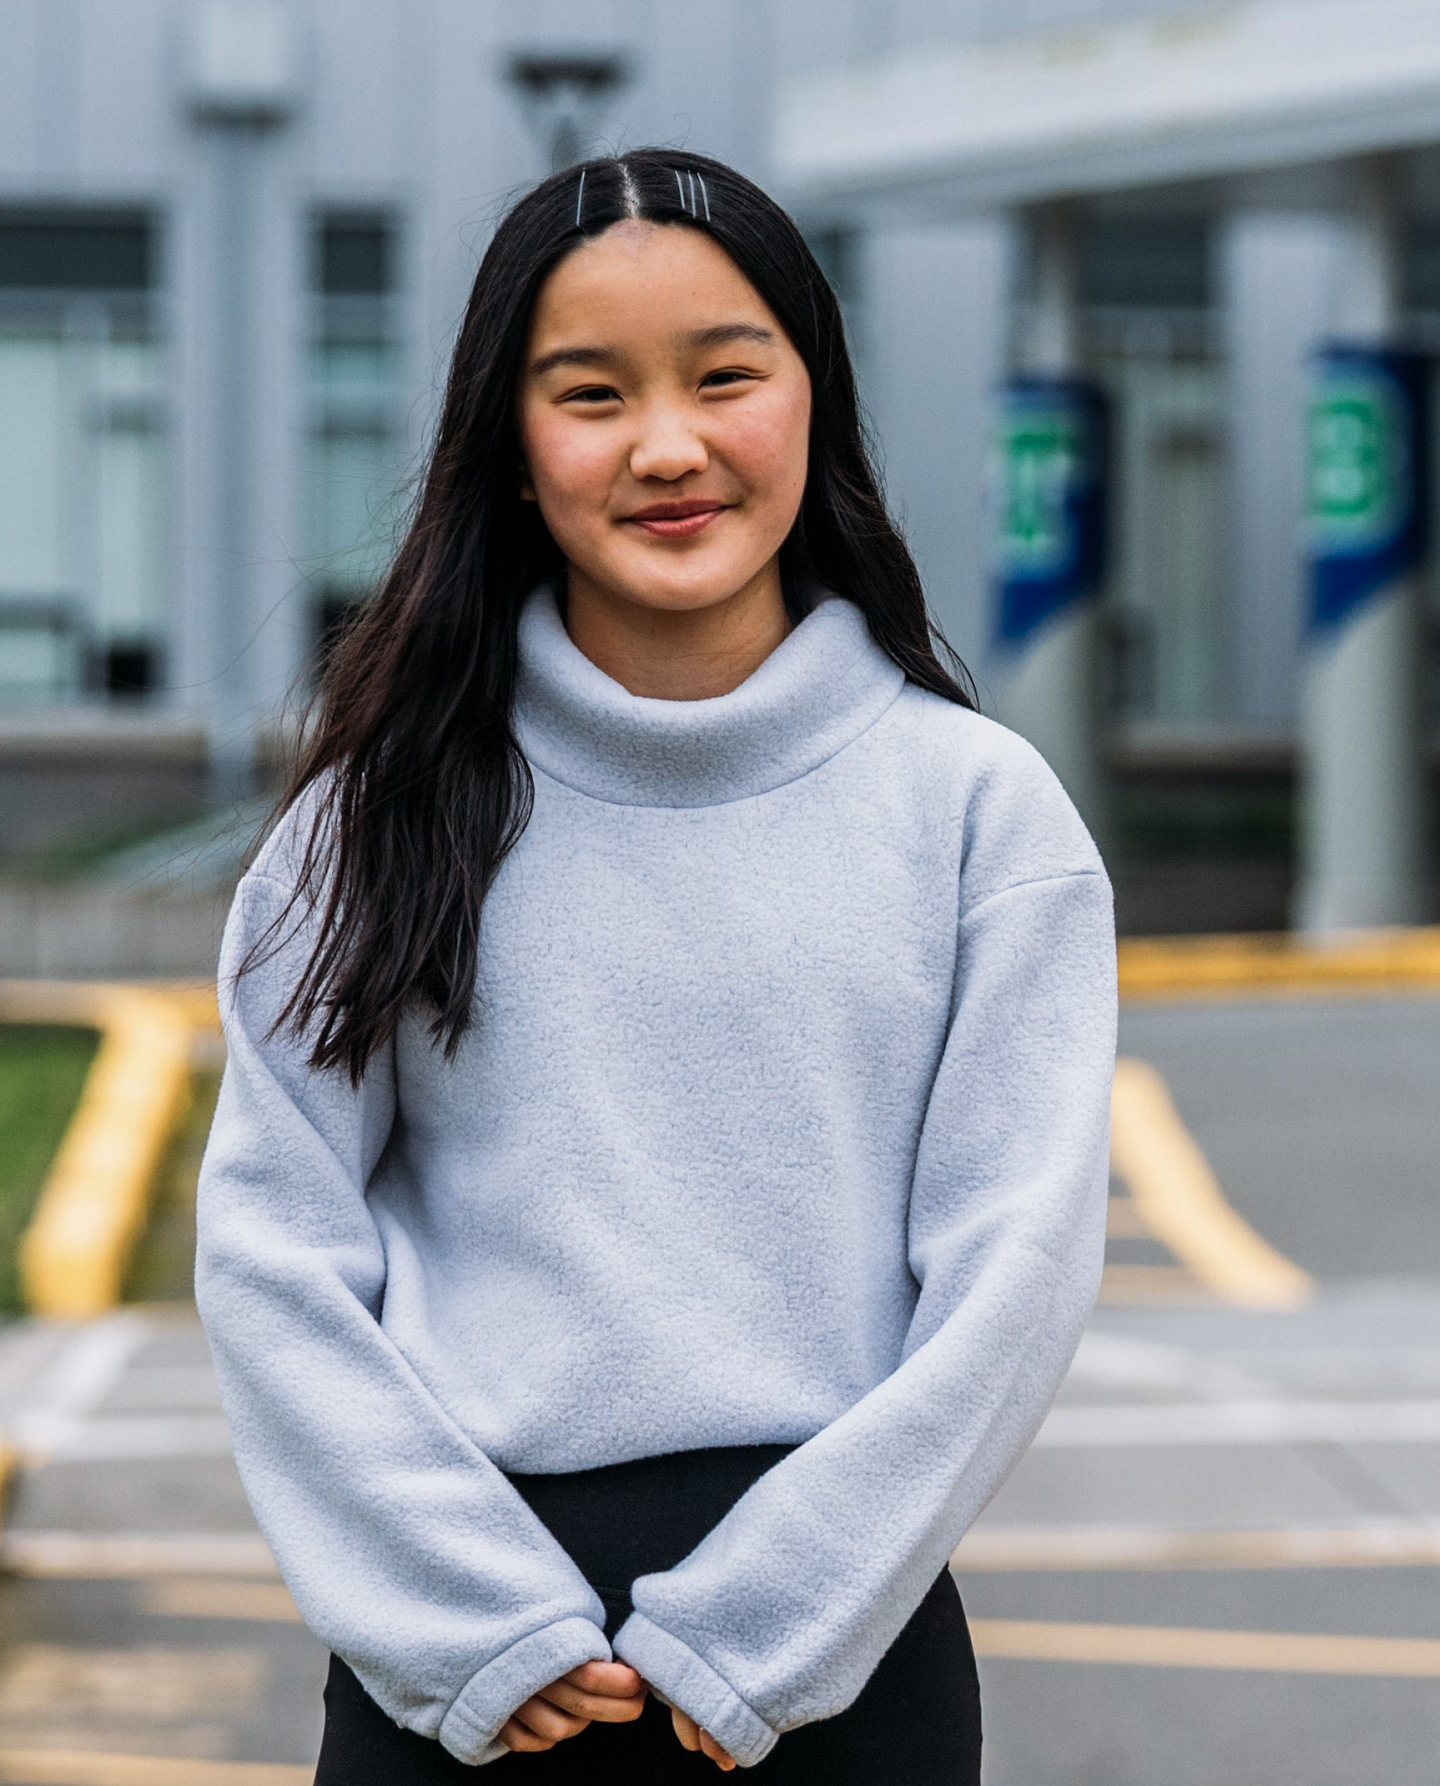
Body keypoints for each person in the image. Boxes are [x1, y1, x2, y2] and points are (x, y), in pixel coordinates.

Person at [191, 148, 1115, 1781]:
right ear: (509, 446)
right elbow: (272, 1249)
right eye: (589, 392)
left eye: (725, 375)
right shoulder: (378, 815)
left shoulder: (977, 815)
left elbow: (1012, 1276)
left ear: (812, 399)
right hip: (463, 1688)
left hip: (833, 1684)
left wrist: (772, 1623)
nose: (669, 446)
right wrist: (460, 1619)